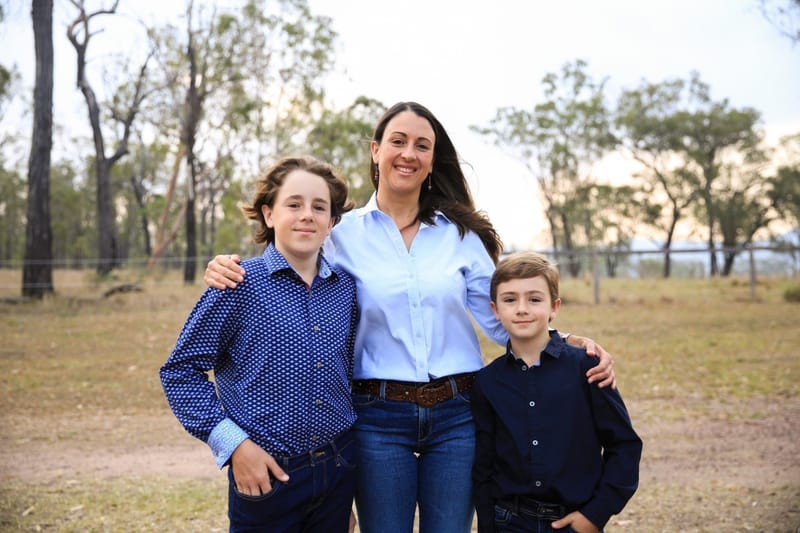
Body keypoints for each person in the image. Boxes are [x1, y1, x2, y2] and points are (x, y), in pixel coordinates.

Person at [203, 102, 616, 533]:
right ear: (376, 151)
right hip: (376, 416)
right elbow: (291, 259)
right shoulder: (340, 234)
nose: (409, 153)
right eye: (398, 141)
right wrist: (225, 266)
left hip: (458, 413)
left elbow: (503, 318)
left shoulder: (461, 235)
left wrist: (565, 342)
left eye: (422, 145)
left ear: (432, 161)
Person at [160, 156, 361, 532]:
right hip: (266, 472)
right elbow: (180, 372)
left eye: (320, 207)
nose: (307, 215)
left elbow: (347, 372)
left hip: (337, 468)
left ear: (332, 222)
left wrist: (343, 489)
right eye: (294, 204)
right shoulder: (237, 284)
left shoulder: (346, 289)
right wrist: (234, 446)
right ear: (269, 214)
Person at [472, 252, 642, 533]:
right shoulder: (487, 381)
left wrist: (595, 515)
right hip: (509, 522)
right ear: (495, 309)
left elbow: (624, 446)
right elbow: (484, 467)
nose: (522, 309)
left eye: (535, 299)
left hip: (574, 520)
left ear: (554, 307)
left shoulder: (587, 368)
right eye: (510, 299)